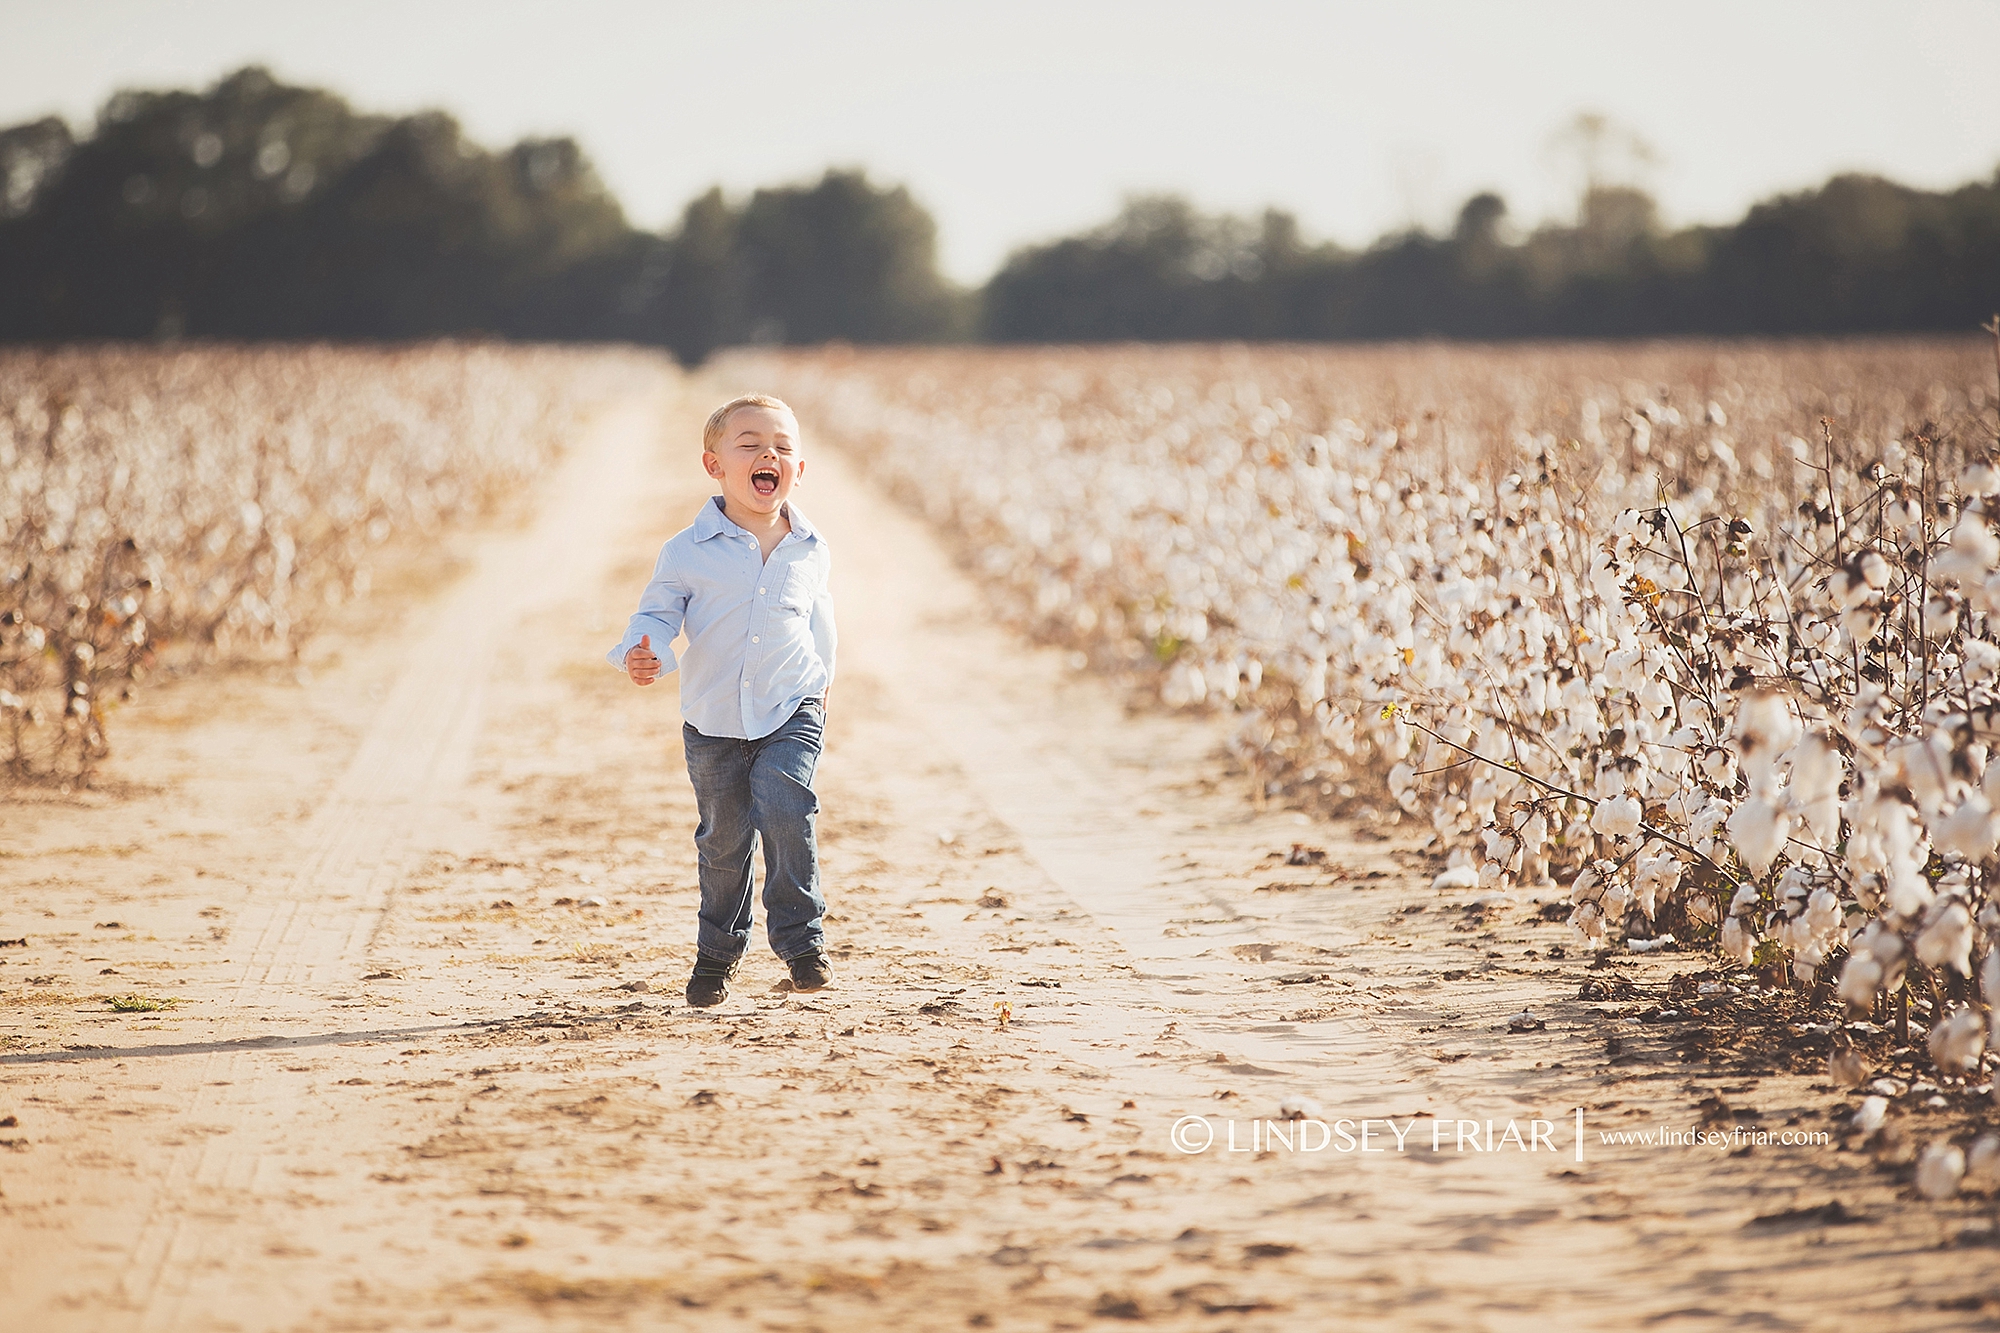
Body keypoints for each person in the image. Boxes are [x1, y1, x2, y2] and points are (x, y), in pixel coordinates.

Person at [608, 393, 836, 1007]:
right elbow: (656, 613)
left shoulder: (810, 547)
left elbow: (820, 628)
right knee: (725, 839)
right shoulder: (688, 550)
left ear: (799, 469)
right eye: (751, 445)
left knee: (787, 808)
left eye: (783, 447)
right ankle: (716, 955)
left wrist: (819, 690)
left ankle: (801, 941)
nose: (770, 455)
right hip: (712, 719)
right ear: (715, 466)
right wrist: (645, 649)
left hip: (792, 708)